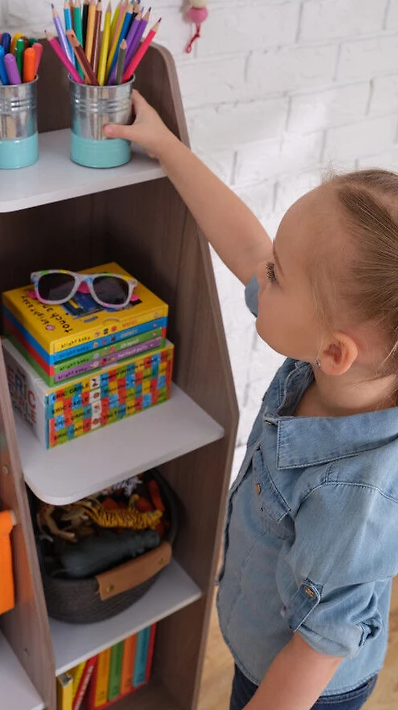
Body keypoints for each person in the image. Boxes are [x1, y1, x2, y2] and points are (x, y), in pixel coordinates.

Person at [105, 93, 398, 710]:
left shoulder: (356, 497)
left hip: (300, 690)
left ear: (337, 351)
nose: (259, 270)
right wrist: (166, 147)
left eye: (276, 273)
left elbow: (316, 652)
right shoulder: (330, 362)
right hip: (260, 644)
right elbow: (243, 243)